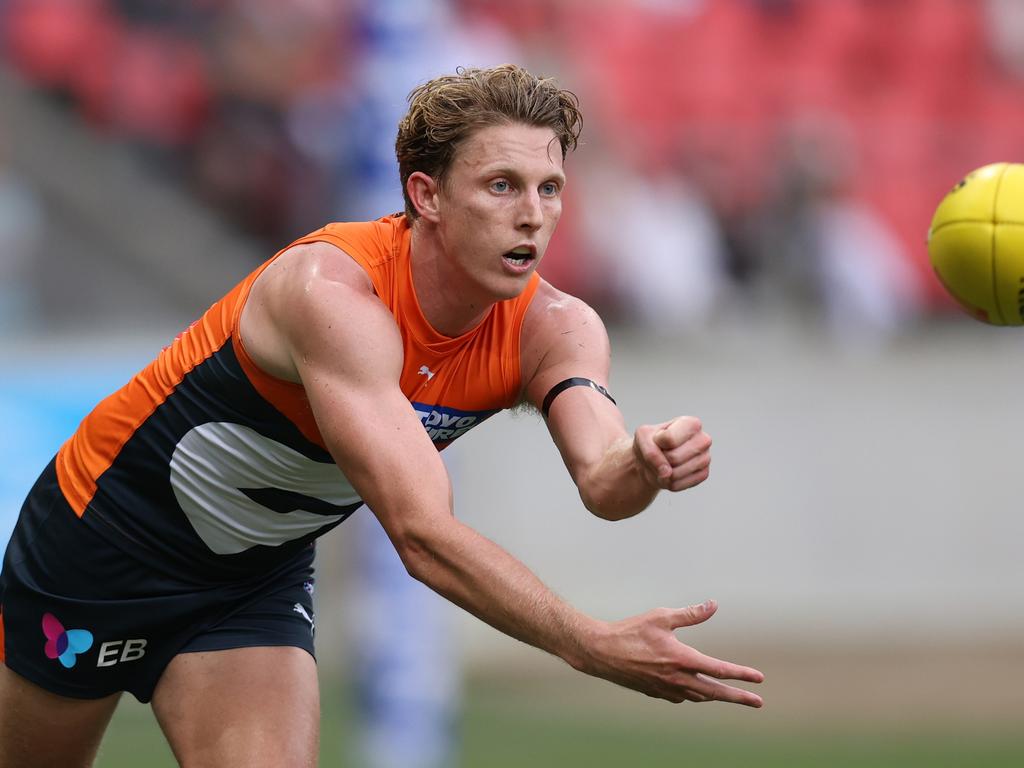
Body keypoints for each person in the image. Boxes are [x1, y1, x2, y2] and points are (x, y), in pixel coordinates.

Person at [0, 64, 764, 768]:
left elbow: (603, 482)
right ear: (427, 195)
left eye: (549, 188)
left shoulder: (558, 328)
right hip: (98, 550)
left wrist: (643, 461)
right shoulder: (331, 293)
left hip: (249, 582)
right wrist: (589, 643)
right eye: (502, 185)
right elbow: (422, 537)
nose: (533, 216)